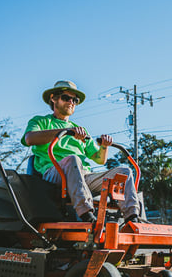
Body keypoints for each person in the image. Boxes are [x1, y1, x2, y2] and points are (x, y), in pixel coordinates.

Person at [21, 80, 142, 224]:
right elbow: (29, 139)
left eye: (75, 100)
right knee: (73, 159)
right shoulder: (41, 121)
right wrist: (64, 132)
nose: (71, 102)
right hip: (54, 174)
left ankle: (132, 219)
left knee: (124, 171)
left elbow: (99, 159)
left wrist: (104, 146)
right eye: (66, 98)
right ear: (53, 98)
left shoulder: (79, 130)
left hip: (82, 177)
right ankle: (86, 215)